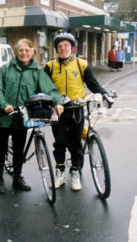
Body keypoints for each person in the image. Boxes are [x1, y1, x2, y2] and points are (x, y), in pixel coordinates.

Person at [0, 38, 63, 194]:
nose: (23, 53)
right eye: (20, 50)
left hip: (23, 117)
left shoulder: (37, 72)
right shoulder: (5, 69)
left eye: (27, 50)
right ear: (15, 52)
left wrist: (57, 102)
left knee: (18, 149)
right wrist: (4, 105)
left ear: (32, 52)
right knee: (1, 149)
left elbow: (50, 89)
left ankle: (17, 178)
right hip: (3, 116)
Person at [44, 32, 114, 191]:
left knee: (76, 144)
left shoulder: (81, 64)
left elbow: (93, 84)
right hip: (58, 111)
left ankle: (76, 172)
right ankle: (60, 172)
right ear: (56, 49)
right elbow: (43, 87)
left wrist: (105, 94)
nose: (63, 49)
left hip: (77, 110)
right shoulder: (50, 66)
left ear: (72, 47)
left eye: (66, 46)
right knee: (60, 143)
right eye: (60, 46)